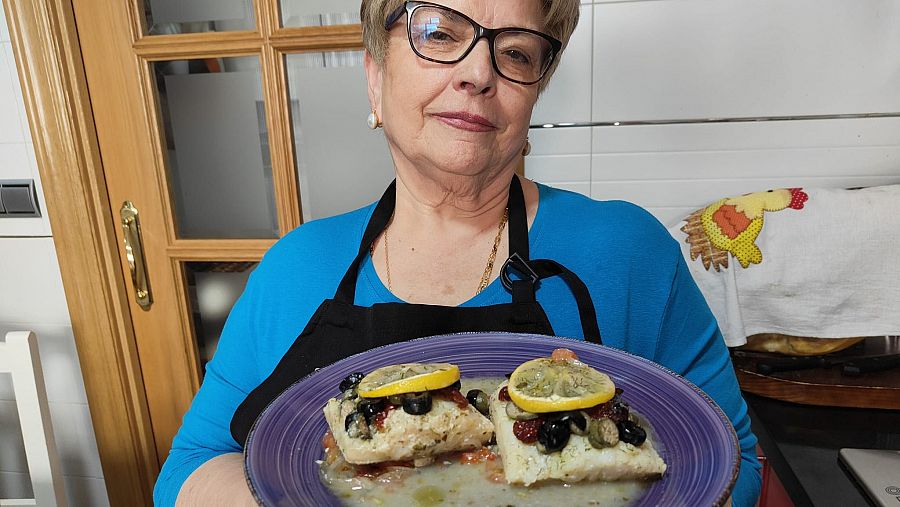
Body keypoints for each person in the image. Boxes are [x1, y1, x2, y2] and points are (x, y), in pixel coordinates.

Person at [153, 1, 762, 505]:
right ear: (374, 75)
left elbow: (732, 460)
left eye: (516, 51)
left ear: (534, 96)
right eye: (439, 33)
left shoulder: (629, 251)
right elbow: (192, 470)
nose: (478, 74)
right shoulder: (294, 268)